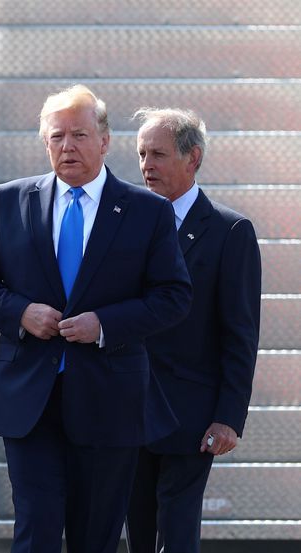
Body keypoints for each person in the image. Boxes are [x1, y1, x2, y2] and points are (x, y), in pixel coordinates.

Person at [0, 85, 192, 553]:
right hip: (29, 400)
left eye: (80, 135)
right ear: (45, 142)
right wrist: (20, 311)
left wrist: (103, 325)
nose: (68, 147)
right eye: (57, 136)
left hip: (110, 399)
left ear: (104, 141)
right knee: (36, 531)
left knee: (96, 536)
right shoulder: (8, 201)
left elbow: (173, 295)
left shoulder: (146, 211)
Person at [125, 108, 261, 553]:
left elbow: (240, 332)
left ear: (193, 157)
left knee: (178, 531)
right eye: (142, 153)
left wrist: (228, 416)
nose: (146, 164)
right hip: (125, 403)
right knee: (137, 527)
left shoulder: (229, 231)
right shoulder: (124, 222)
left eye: (158, 154)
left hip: (190, 411)